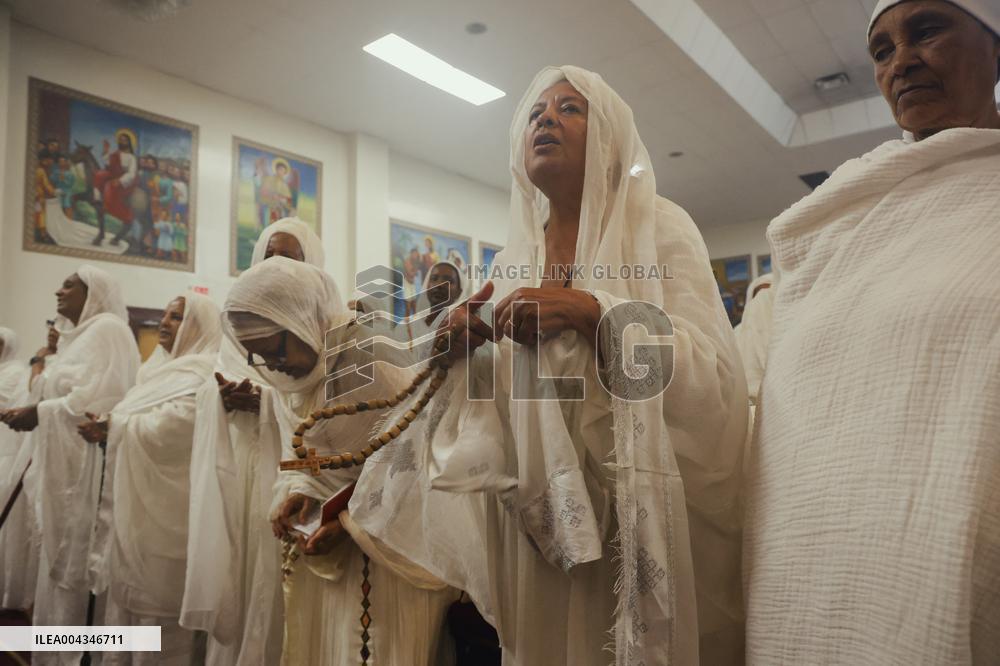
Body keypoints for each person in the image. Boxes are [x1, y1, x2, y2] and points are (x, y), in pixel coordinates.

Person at [351, 66, 748, 666]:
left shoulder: (660, 227)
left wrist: (595, 312)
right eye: (537, 112)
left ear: (609, 137)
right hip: (536, 530)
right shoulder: (514, 259)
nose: (546, 119)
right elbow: (502, 399)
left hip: (631, 521)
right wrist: (464, 351)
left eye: (569, 109)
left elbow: (713, 380)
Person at [744, 1, 1000, 663]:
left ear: (994, 46)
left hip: (960, 537)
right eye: (882, 51)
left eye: (927, 30)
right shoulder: (839, 215)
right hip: (815, 556)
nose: (902, 61)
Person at [223, 257, 456, 666]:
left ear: (302, 322)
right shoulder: (294, 380)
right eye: (257, 357)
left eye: (273, 351)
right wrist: (302, 491)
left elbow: (416, 460)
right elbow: (309, 457)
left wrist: (348, 524)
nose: (271, 366)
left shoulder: (368, 357)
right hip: (333, 556)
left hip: (392, 557)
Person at [181, 218, 324, 665]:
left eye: (290, 257)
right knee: (243, 569)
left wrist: (267, 399)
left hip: (293, 468)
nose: (276, 265)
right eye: (269, 255)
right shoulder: (240, 320)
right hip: (243, 465)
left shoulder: (319, 319)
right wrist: (220, 397)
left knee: (282, 580)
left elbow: (314, 399)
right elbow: (211, 382)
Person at [0, 266, 139, 666]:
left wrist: (39, 412)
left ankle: (83, 655)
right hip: (61, 467)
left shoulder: (109, 330)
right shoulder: (75, 339)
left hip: (88, 471)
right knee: (56, 565)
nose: (58, 291)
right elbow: (56, 391)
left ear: (93, 292)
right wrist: (37, 410)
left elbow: (102, 399)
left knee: (79, 567)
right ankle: (54, 654)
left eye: (68, 286)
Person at [82, 292, 221, 665]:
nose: (164, 322)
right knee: (127, 601)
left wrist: (115, 426)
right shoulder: (154, 371)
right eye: (165, 314)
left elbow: (176, 428)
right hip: (135, 511)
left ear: (199, 327)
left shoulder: (206, 373)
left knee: (160, 610)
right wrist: (112, 424)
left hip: (173, 508)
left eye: (176, 317)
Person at [0, 322, 58, 611]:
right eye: (50, 325)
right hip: (20, 448)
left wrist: (37, 362)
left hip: (37, 451)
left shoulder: (23, 370)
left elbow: (36, 395)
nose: (53, 330)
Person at [93, 129, 139, 246]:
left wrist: (120, 180)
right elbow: (108, 164)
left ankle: (107, 206)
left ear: (129, 143)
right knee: (99, 174)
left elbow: (131, 174)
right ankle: (97, 197)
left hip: (123, 180)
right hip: (112, 174)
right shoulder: (115, 153)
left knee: (109, 186)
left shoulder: (131, 157)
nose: (122, 142)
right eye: (120, 140)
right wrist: (106, 151)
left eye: (124, 140)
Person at [733, 273, 773, 406]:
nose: (762, 300)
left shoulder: (787, 331)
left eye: (769, 294)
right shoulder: (736, 334)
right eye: (759, 294)